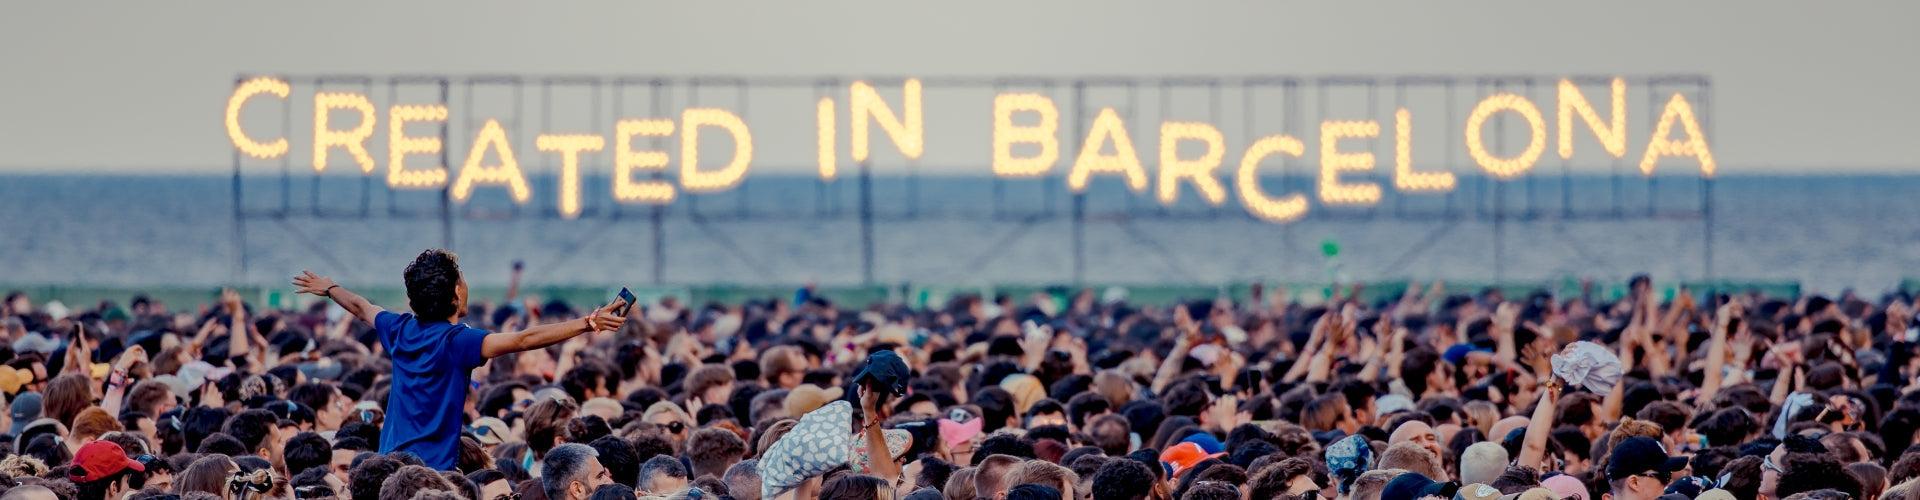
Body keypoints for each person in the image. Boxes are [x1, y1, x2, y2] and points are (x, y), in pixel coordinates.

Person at [291, 250, 627, 469]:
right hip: (432, 474)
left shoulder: (399, 329)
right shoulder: (457, 342)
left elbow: (361, 306)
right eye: (462, 280)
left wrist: (331, 287)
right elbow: (524, 339)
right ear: (455, 294)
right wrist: (588, 322)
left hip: (389, 467)